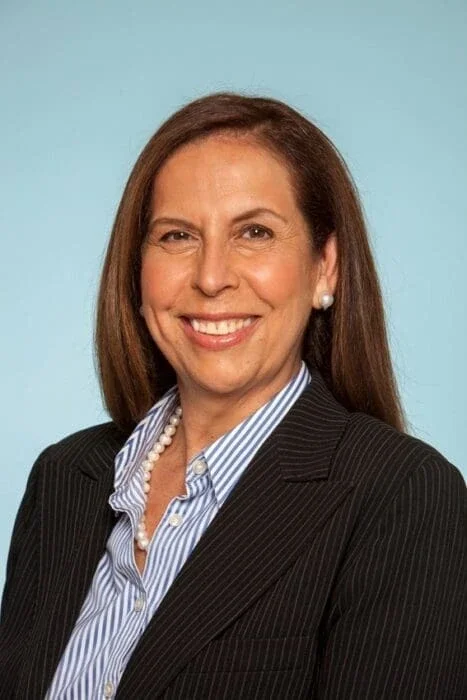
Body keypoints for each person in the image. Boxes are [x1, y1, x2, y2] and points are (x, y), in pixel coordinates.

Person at [1, 92, 465, 700]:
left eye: (255, 232)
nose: (211, 276)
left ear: (325, 267)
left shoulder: (402, 497)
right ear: (137, 268)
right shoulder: (65, 479)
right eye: (177, 236)